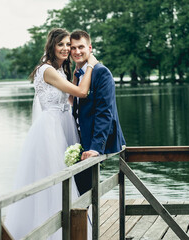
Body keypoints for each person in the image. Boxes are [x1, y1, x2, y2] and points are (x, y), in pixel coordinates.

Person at [4, 28, 98, 240]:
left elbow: (71, 99)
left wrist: (74, 77)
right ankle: (49, 231)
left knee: (65, 175)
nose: (66, 49)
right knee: (53, 177)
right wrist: (90, 64)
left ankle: (66, 226)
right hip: (50, 129)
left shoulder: (59, 71)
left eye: (69, 45)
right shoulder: (47, 70)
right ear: (52, 46)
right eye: (62, 44)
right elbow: (82, 93)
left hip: (64, 124)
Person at [70, 30, 126, 195]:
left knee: (86, 192)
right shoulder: (78, 74)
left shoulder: (101, 72)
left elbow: (105, 113)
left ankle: (89, 221)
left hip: (96, 143)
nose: (77, 51)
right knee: (79, 192)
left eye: (81, 47)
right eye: (73, 48)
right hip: (80, 141)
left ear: (90, 47)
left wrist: (96, 148)